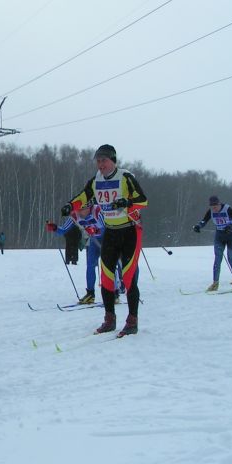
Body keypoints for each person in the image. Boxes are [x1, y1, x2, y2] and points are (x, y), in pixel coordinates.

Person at [62, 144, 148, 337]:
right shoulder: (96, 180)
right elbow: (84, 196)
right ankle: (109, 319)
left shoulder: (125, 177)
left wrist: (127, 202)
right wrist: (70, 205)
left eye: (104, 160)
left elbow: (143, 200)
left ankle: (132, 321)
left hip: (130, 231)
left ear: (113, 160)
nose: (100, 165)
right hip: (110, 231)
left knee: (127, 278)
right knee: (107, 279)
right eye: (98, 161)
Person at [193, 196, 232, 291]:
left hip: (231, 236)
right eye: (212, 206)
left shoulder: (227, 208)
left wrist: (231, 226)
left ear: (219, 204)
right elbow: (204, 220)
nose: (214, 208)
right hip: (219, 237)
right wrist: (198, 226)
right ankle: (215, 283)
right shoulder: (210, 211)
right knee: (217, 259)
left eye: (216, 206)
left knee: (230, 258)